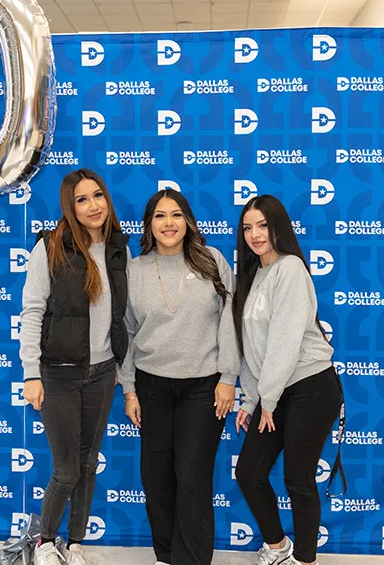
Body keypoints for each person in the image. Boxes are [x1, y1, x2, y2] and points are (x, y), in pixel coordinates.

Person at [119, 189, 239, 565]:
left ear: (187, 220)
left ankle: (192, 559)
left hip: (203, 387)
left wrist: (228, 378)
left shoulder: (211, 261)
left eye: (175, 215)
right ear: (149, 225)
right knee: (156, 480)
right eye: (159, 216)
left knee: (192, 479)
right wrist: (129, 391)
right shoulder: (135, 270)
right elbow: (126, 334)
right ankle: (165, 556)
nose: (168, 223)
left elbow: (230, 323)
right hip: (151, 386)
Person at [19, 169, 130, 565]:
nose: (93, 205)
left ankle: (76, 542)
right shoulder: (49, 247)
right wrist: (31, 372)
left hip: (102, 374)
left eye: (98, 195)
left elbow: (123, 317)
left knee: (87, 464)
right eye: (82, 199)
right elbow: (32, 311)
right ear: (70, 205)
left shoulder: (119, 248)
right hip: (59, 374)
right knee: (66, 469)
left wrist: (123, 371)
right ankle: (45, 542)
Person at [231, 195, 343, 565]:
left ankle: (305, 560)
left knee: (298, 478)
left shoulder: (291, 268)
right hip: (273, 393)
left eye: (262, 225)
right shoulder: (253, 275)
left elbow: (284, 341)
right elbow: (252, 347)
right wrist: (251, 400)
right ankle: (278, 547)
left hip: (310, 387)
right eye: (247, 227)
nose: (255, 234)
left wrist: (266, 400)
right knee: (249, 473)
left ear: (278, 226)